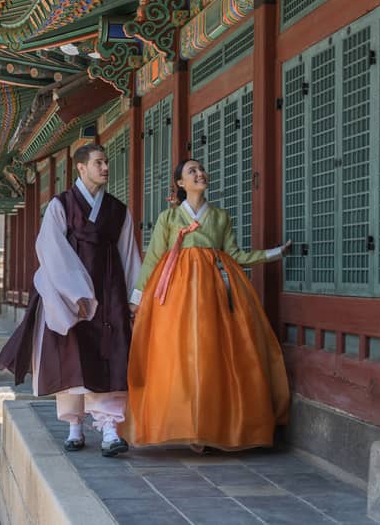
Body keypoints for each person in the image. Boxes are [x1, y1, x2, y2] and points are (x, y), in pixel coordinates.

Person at [123, 158, 291, 452]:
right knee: (180, 356)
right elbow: (154, 259)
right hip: (176, 297)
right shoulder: (168, 217)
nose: (200, 173)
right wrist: (137, 298)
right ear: (180, 183)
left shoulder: (220, 217)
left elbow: (235, 255)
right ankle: (187, 424)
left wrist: (274, 254)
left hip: (214, 296)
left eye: (201, 169)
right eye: (192, 171)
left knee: (213, 354)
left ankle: (211, 424)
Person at [0, 143, 142, 457]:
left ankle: (110, 429)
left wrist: (134, 298)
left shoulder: (117, 210)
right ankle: (75, 424)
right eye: (99, 162)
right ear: (81, 167)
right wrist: (75, 293)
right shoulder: (61, 205)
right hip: (70, 295)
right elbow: (50, 249)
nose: (105, 168)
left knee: (112, 356)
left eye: (106, 162)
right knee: (72, 358)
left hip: (109, 292)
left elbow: (129, 254)